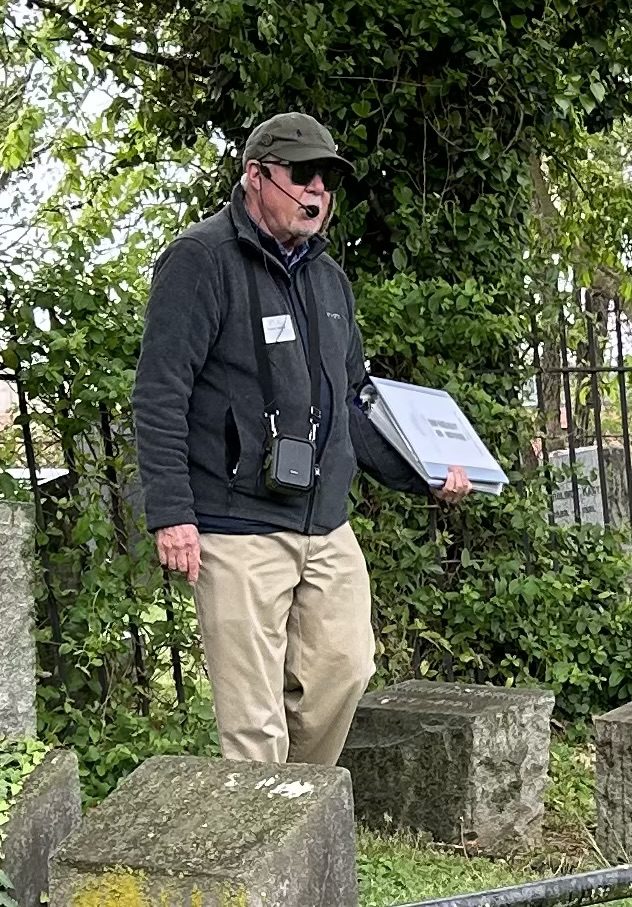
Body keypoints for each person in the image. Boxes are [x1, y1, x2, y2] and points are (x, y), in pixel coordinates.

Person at [132, 112, 472, 766]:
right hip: (236, 524)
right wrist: (171, 511)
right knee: (253, 722)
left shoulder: (329, 281)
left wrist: (422, 470)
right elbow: (159, 390)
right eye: (302, 174)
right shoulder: (201, 261)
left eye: (328, 178)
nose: (317, 189)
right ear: (255, 176)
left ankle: (294, 815)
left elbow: (353, 405)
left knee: (346, 667)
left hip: (325, 526)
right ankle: (263, 850)